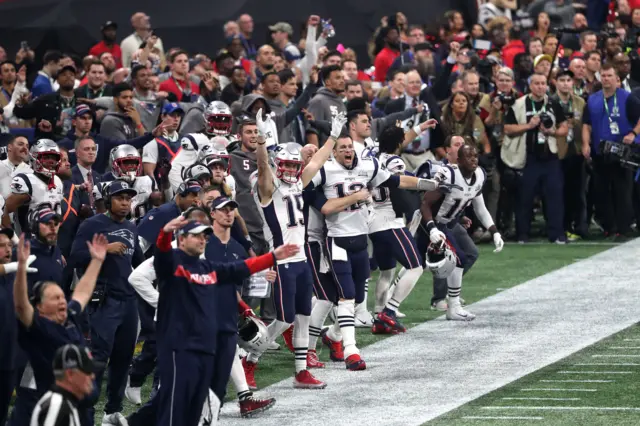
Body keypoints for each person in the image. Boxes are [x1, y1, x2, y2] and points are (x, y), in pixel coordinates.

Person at [307, 130, 438, 370]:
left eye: (349, 147)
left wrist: (425, 184)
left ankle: (334, 337)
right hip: (335, 241)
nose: (347, 151)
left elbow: (396, 180)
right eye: (341, 148)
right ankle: (351, 351)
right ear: (333, 153)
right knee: (343, 297)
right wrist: (355, 196)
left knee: (355, 298)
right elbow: (321, 203)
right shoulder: (325, 171)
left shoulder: (367, 166)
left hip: (360, 239)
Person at [152, 215, 299, 426]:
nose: (202, 240)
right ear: (181, 240)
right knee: (178, 400)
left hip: (202, 342)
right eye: (196, 236)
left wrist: (273, 256)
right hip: (178, 344)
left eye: (204, 236)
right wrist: (165, 233)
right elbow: (162, 255)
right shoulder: (172, 263)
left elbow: (240, 269)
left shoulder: (208, 267)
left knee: (210, 398)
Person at [242, 111, 346, 389]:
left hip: (301, 260)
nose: (290, 170)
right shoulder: (268, 188)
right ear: (278, 166)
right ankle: (249, 359)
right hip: (283, 260)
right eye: (285, 165)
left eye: (293, 165)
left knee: (301, 316)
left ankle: (301, 370)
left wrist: (334, 135)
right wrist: (262, 141)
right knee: (284, 319)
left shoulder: (299, 182)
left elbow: (319, 160)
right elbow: (263, 168)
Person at [11, 232, 107, 426]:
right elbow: (21, 306)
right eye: (55, 298)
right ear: (39, 306)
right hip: (56, 407)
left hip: (81, 406)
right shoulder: (38, 326)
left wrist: (96, 261)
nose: (63, 301)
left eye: (62, 296)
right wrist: (21, 268)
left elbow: (82, 292)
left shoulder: (69, 317)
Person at [69, 180, 144, 424]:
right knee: (99, 357)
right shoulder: (92, 225)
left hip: (129, 300)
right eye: (120, 198)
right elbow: (74, 257)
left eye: (128, 198)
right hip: (104, 299)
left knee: (123, 357)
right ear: (107, 200)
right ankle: (85, 411)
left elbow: (140, 264)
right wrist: (103, 250)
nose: (125, 203)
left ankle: (112, 411)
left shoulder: (132, 228)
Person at [419, 144, 504, 320]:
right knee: (416, 264)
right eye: (468, 156)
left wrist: (494, 231)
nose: (473, 159)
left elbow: (480, 208)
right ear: (458, 160)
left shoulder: (479, 175)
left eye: (475, 155)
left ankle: (453, 305)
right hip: (429, 223)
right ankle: (452, 306)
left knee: (453, 260)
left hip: (447, 224)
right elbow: (425, 203)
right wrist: (432, 228)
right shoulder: (449, 174)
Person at [368, 126, 424, 334]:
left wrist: (419, 128)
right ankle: (389, 312)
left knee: (386, 271)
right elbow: (400, 187)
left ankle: (377, 316)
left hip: (372, 220)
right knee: (416, 266)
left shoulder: (371, 156)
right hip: (390, 220)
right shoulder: (395, 161)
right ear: (400, 143)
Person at [503, 73, 569, 243]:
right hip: (528, 158)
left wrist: (551, 132)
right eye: (537, 83)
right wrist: (529, 125)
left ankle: (556, 234)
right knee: (524, 197)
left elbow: (564, 128)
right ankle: (522, 234)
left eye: (543, 83)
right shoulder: (519, 104)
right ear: (530, 86)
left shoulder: (553, 103)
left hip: (550, 157)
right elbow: (508, 129)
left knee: (555, 197)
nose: (540, 87)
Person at [582, 64, 639, 239]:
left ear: (617, 79)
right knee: (601, 191)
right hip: (601, 152)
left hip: (622, 152)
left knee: (623, 191)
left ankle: (623, 228)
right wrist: (585, 144)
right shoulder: (592, 99)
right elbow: (586, 124)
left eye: (609, 76)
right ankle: (609, 227)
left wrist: (633, 133)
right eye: (603, 76)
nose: (606, 79)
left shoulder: (628, 98)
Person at [2, 140, 64, 233]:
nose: (51, 161)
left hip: (50, 238)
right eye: (46, 157)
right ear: (34, 158)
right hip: (29, 241)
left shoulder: (57, 181)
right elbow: (3, 211)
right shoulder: (26, 181)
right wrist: (13, 238)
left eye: (54, 157)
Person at [30, 344, 98, 426]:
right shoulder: (57, 408)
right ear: (70, 374)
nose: (92, 376)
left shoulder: (65, 403)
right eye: (87, 371)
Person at [94, 144, 160, 223]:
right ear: (114, 165)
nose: (131, 166)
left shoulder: (148, 181)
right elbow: (101, 221)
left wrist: (165, 180)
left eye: (134, 162)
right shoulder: (102, 187)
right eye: (126, 163)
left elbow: (166, 203)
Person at [136, 179, 201, 254]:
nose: (197, 200)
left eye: (199, 196)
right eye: (194, 195)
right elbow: (139, 244)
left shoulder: (187, 215)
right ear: (181, 195)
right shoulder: (164, 212)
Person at [0, 227, 17, 426]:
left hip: (9, 356)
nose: (7, 249)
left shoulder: (14, 275)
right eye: (1, 246)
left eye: (9, 246)